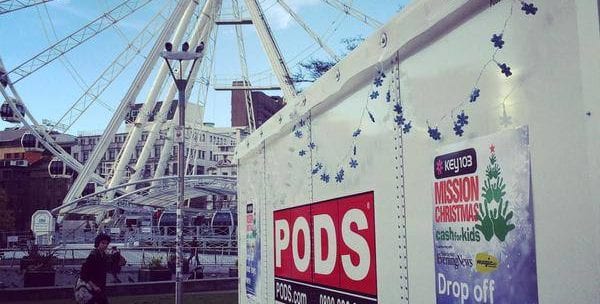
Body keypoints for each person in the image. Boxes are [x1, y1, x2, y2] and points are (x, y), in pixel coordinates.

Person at [80, 234, 112, 304]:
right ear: (98, 243)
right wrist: (94, 286)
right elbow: (84, 273)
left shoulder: (104, 255)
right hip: (92, 288)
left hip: (100, 287)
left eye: (107, 243)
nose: (105, 245)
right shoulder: (93, 256)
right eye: (103, 243)